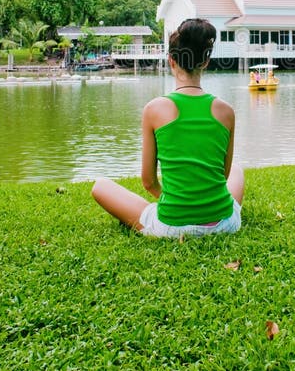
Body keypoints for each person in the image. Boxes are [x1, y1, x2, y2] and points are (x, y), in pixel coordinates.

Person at [91, 17, 244, 238]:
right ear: (205, 62)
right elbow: (224, 174)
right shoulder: (226, 111)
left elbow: (148, 181)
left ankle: (176, 210)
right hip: (224, 224)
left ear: (171, 60)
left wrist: (175, 201)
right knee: (237, 171)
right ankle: (211, 213)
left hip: (172, 227)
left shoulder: (154, 110)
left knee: (100, 186)